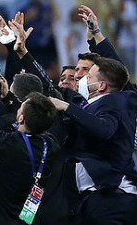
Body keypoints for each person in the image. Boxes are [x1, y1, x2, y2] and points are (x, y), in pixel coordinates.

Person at [0, 85, 68, 224]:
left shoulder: (6, 144)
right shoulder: (51, 145)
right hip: (29, 220)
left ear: (21, 119)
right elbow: (33, 116)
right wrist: (9, 97)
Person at [50, 57, 137, 224]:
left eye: (88, 76)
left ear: (101, 86)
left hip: (111, 199)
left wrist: (67, 107)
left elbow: (104, 129)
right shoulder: (93, 106)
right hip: (92, 199)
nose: (81, 79)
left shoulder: (113, 100)